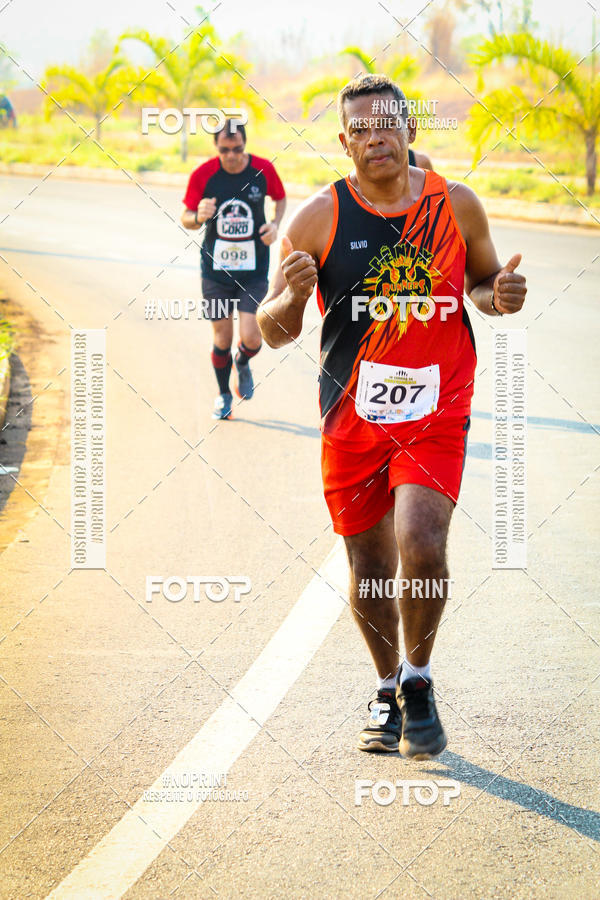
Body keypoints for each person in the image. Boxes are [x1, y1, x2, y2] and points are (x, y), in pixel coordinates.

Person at [257, 74, 526, 758]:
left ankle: (419, 680)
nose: (375, 138)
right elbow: (273, 329)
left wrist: (500, 295)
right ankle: (385, 687)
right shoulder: (317, 219)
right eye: (361, 129)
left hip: (437, 407)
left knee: (421, 539)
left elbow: (482, 283)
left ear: (410, 129)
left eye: (387, 124)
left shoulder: (455, 204)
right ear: (344, 141)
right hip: (351, 415)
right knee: (370, 563)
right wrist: (293, 298)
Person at [181, 119, 286, 419]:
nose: (231, 156)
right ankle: (224, 395)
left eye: (237, 149)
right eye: (225, 150)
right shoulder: (203, 175)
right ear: (216, 147)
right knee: (222, 338)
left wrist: (274, 224)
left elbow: (280, 198)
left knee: (252, 337)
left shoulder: (263, 169)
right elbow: (186, 217)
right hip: (215, 273)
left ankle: (242, 361)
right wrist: (198, 216)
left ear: (245, 145)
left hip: (253, 271)